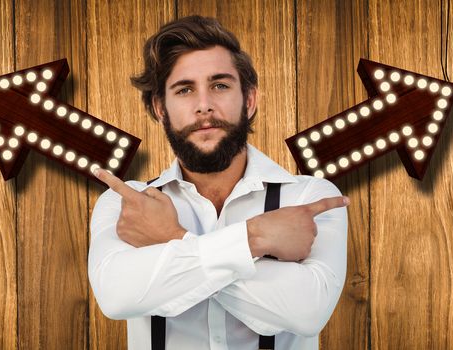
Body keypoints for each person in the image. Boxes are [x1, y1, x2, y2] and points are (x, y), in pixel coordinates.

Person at [88, 15, 349, 350]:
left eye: (220, 85)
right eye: (184, 90)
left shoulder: (311, 196)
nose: (204, 106)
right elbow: (117, 296)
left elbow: (307, 311)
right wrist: (254, 239)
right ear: (160, 109)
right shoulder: (127, 203)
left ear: (249, 100)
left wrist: (172, 239)